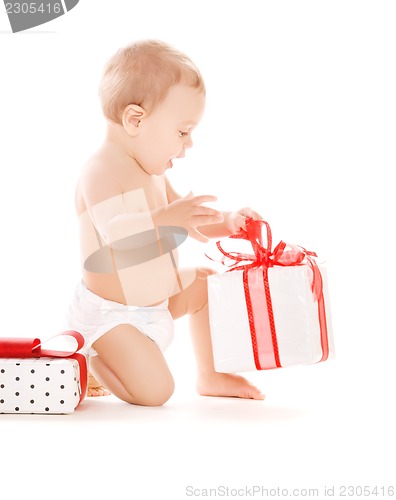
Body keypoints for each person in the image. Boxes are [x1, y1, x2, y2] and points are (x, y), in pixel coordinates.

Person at [66, 39, 264, 405]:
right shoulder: (100, 171)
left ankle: (210, 374)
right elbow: (116, 232)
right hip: (112, 318)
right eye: (182, 131)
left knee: (206, 283)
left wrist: (231, 222)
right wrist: (164, 218)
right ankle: (92, 360)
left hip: (155, 305)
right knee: (156, 392)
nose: (188, 145)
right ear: (135, 120)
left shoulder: (153, 171)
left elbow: (192, 220)